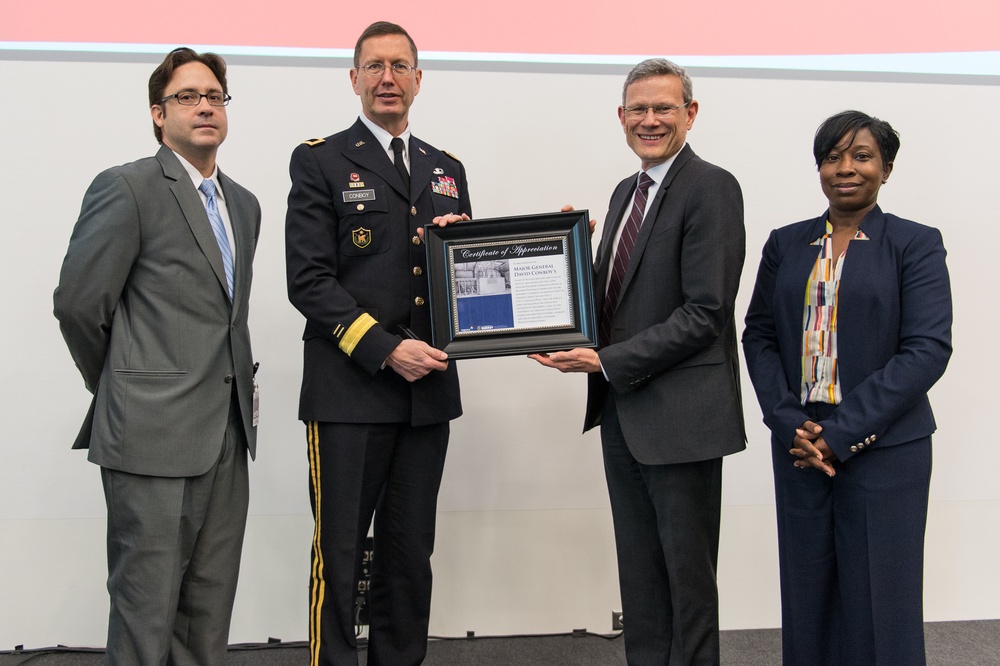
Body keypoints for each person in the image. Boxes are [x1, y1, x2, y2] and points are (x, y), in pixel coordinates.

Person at [530, 58, 746, 664]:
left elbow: (704, 313)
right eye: (638, 110)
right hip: (625, 415)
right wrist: (565, 263)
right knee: (642, 579)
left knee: (688, 585)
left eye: (664, 108)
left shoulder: (712, 188)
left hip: (682, 420)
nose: (649, 120)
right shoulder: (627, 192)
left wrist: (604, 363)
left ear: (691, 114)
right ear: (620, 118)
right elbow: (613, 304)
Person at [53, 47, 261, 664]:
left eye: (215, 97)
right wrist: (123, 387)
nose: (204, 106)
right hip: (149, 436)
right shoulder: (127, 187)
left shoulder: (244, 204)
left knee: (207, 611)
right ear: (157, 113)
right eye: (187, 97)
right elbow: (78, 305)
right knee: (145, 613)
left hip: (227, 436)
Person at [284, 21, 471, 666]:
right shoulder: (320, 160)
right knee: (340, 554)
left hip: (428, 396)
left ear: (419, 79)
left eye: (400, 66)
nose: (387, 77)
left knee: (409, 551)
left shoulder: (447, 170)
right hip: (351, 391)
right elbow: (309, 281)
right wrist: (385, 349)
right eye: (374, 66)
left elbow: (459, 286)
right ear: (355, 79)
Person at [741, 111, 952, 665]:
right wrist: (788, 423)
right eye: (833, 156)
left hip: (885, 450)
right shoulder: (786, 244)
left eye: (861, 156)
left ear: (886, 168)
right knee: (808, 596)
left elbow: (927, 349)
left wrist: (844, 432)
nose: (845, 168)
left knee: (882, 599)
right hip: (800, 446)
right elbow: (758, 335)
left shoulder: (915, 244)